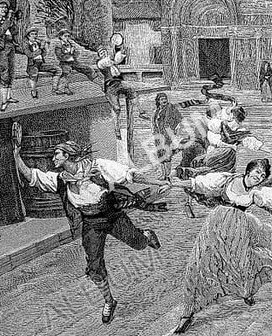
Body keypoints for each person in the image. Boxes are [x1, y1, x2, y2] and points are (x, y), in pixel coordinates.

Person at [11, 130, 163, 324]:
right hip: (91, 224)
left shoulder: (97, 167)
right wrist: (17, 156)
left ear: (67, 156)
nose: (53, 158)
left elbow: (130, 176)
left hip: (111, 215)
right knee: (94, 266)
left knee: (139, 243)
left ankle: (146, 235)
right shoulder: (61, 179)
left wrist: (158, 182)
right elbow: (31, 175)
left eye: (57, 154)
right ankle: (109, 301)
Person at [170, 158, 272, 334]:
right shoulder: (226, 179)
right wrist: (175, 184)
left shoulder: (257, 193)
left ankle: (246, 292)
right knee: (200, 264)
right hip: (216, 225)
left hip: (238, 229)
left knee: (241, 263)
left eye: (262, 175)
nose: (259, 177)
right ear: (248, 171)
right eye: (257, 172)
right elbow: (200, 184)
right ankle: (187, 313)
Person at [0, 0, 19, 111]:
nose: (4, 10)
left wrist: (13, 22)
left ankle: (9, 97)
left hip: (10, 46)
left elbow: (15, 32)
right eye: (2, 7)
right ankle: (3, 101)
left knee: (11, 72)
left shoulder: (8, 20)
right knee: (4, 73)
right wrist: (7, 21)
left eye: (6, 7)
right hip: (1, 48)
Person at [55, 29, 99, 95]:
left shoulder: (70, 44)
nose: (67, 38)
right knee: (66, 71)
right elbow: (60, 57)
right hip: (64, 63)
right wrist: (70, 53)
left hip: (73, 62)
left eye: (68, 36)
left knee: (87, 68)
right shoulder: (59, 46)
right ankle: (63, 88)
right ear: (61, 37)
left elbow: (76, 54)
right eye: (65, 36)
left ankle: (98, 81)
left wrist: (74, 52)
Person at [22, 26, 61, 99]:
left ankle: (54, 89)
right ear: (28, 36)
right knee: (34, 74)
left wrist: (44, 47)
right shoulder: (26, 44)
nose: (35, 36)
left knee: (58, 69)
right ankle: (33, 91)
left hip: (41, 63)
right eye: (32, 34)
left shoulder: (37, 43)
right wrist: (40, 49)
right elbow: (30, 55)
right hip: (32, 64)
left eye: (35, 34)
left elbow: (44, 54)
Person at [96, 41, 129, 123]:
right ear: (99, 56)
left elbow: (117, 59)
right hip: (110, 84)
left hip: (119, 82)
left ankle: (138, 111)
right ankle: (116, 125)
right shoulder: (101, 63)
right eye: (101, 53)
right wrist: (113, 56)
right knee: (116, 108)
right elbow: (107, 62)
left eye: (104, 51)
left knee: (131, 92)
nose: (103, 53)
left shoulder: (112, 62)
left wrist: (120, 52)